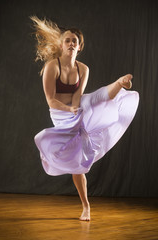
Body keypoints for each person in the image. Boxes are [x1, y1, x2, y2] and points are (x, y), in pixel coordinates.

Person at [31, 16, 139, 221]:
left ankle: (118, 83)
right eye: (68, 40)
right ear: (62, 45)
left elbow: (78, 96)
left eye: (75, 41)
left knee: (96, 99)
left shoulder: (83, 69)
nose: (72, 43)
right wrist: (69, 110)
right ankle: (86, 205)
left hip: (76, 108)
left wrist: (77, 108)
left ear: (79, 47)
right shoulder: (52, 67)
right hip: (60, 115)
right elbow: (51, 101)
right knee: (77, 165)